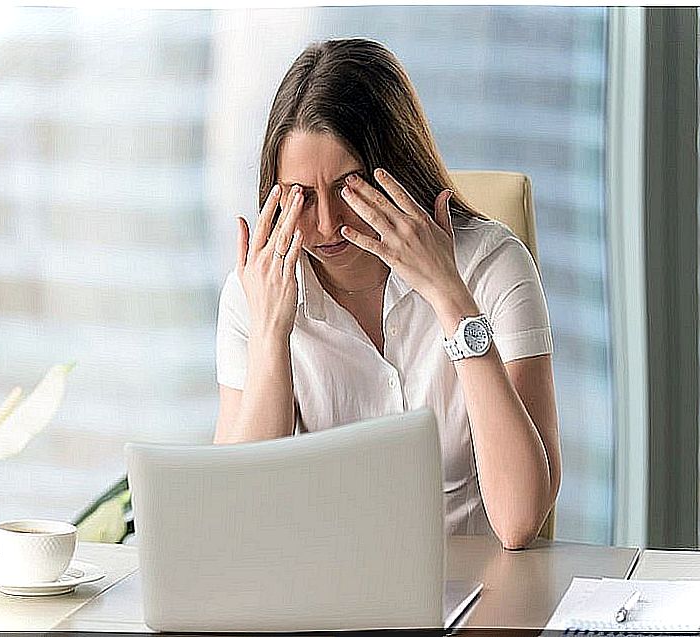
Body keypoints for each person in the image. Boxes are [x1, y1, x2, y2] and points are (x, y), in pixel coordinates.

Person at [214, 38, 560, 550]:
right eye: (301, 197)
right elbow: (237, 516)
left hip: (469, 600)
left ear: (396, 170)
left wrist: (450, 297)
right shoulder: (256, 292)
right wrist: (270, 334)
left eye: (349, 187)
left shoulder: (491, 266)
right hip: (318, 600)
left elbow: (518, 519)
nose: (327, 224)